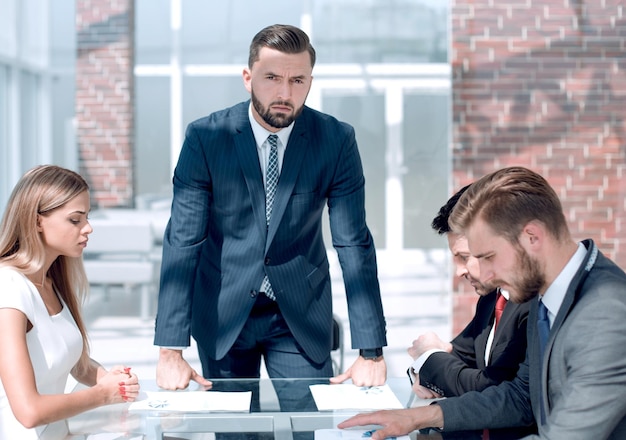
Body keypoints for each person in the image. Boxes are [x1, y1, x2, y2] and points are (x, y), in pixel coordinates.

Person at [154, 23, 387, 390]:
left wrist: (371, 351)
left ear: (311, 81)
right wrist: (170, 350)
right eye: (272, 78)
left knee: (304, 425)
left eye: (298, 80)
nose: (284, 92)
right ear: (248, 78)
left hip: (299, 313)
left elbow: (353, 243)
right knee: (234, 433)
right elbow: (183, 241)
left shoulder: (336, 140)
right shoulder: (205, 138)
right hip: (222, 309)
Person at [339, 166, 626, 439]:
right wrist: (418, 418)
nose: (485, 275)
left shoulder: (605, 311)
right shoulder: (543, 293)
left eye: (488, 257)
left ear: (532, 237)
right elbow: (520, 398)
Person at [0, 165, 140, 439]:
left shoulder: (51, 283)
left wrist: (109, 379)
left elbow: (72, 362)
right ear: (37, 220)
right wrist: (103, 394)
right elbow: (28, 412)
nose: (88, 228)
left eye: (87, 217)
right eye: (75, 220)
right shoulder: (9, 289)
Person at [408, 184, 531, 399]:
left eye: (464, 257)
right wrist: (424, 365)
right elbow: (456, 355)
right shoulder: (492, 298)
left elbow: (489, 386)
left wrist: (428, 356)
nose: (458, 272)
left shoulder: (532, 303)